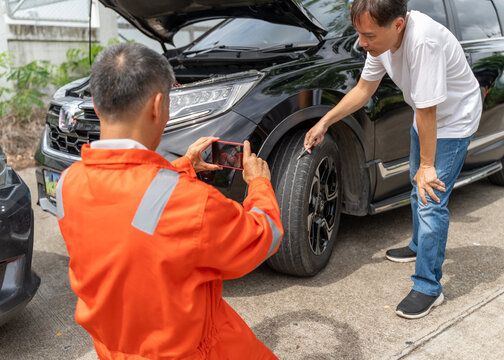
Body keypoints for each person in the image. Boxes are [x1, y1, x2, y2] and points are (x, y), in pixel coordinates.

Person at [56, 43, 283, 359]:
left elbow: (126, 206)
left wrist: (183, 167)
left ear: (96, 104)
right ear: (158, 106)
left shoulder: (69, 182)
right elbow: (263, 235)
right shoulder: (193, 203)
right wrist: (259, 184)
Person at [304, 0, 481, 319]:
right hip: (425, 120)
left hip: (453, 121)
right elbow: (363, 89)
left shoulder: (423, 41)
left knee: (431, 199)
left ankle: (429, 287)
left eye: (367, 35)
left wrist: (428, 166)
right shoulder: (381, 44)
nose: (361, 42)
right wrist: (325, 121)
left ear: (397, 25)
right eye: (359, 33)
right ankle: (417, 245)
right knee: (418, 189)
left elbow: (430, 110)